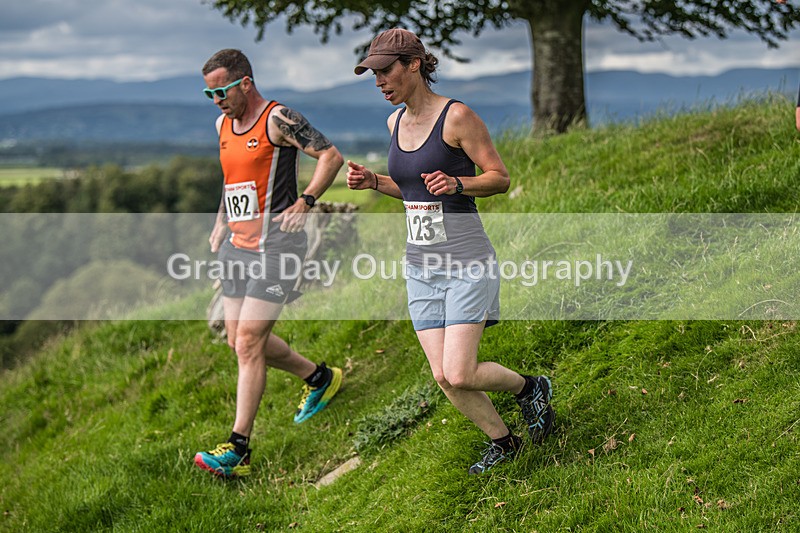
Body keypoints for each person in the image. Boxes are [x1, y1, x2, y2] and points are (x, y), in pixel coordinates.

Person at [347, 29, 555, 474]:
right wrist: (374, 183)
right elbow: (412, 192)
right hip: (421, 267)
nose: (379, 81)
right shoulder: (394, 123)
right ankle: (504, 441)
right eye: (373, 74)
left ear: (414, 65)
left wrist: (459, 183)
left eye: (386, 71)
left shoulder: (457, 117)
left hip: (466, 261)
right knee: (442, 375)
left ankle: (530, 388)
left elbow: (499, 177)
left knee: (460, 371)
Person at [194, 49, 345, 478]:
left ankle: (238, 448)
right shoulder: (222, 123)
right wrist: (223, 220)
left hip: (278, 247)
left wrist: (306, 200)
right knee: (238, 340)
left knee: (248, 343)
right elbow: (232, 176)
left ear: (245, 83)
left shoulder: (279, 120)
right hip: (236, 247)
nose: (216, 100)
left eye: (221, 91)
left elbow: (330, 156)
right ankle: (318, 378)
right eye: (209, 94)